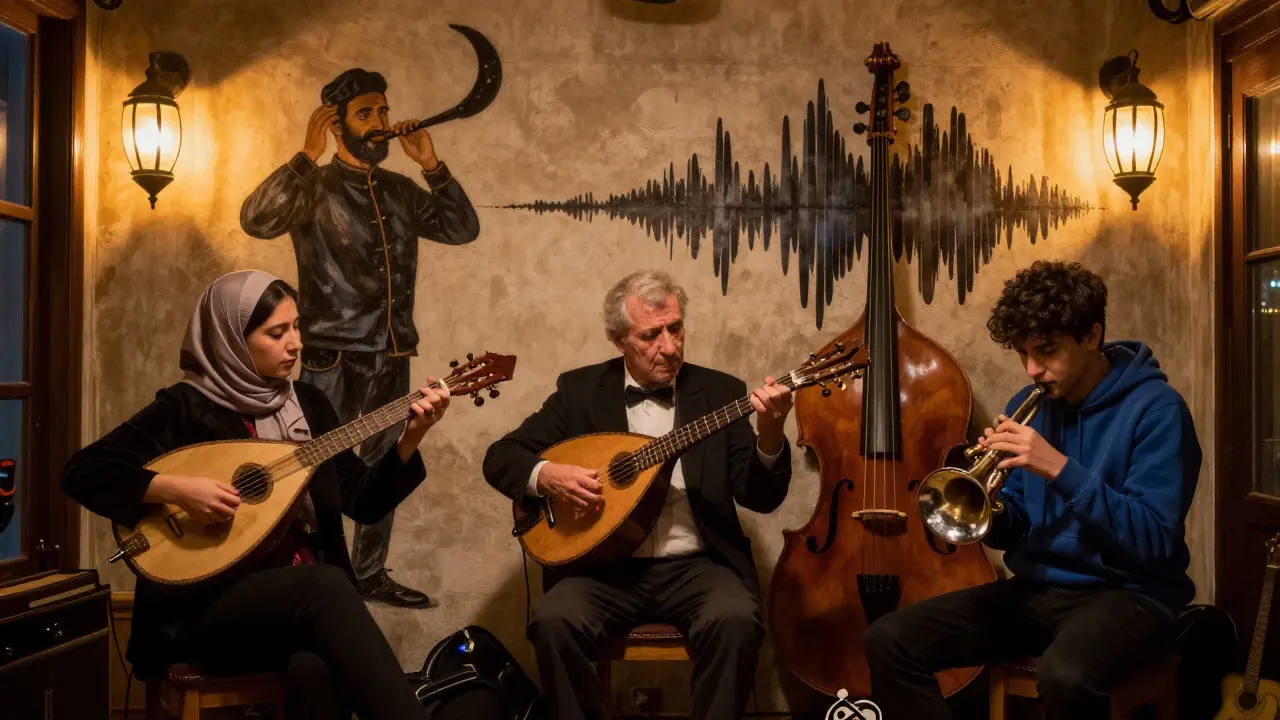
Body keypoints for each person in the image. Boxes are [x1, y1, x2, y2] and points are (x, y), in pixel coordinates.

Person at [62, 270, 449, 720]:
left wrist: (410, 438)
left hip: (300, 610)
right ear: (232, 340)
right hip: (201, 608)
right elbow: (82, 471)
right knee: (327, 584)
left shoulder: (310, 405)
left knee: (316, 669)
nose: (296, 343)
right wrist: (176, 489)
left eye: (297, 326)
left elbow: (364, 503)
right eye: (276, 333)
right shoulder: (184, 407)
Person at [864, 260, 1202, 719]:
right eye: (1023, 354)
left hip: (1132, 595)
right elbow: (1018, 526)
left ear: (1091, 336)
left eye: (1045, 351)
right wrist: (989, 507)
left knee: (1066, 676)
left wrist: (1058, 468)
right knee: (889, 639)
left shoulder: (1158, 411)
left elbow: (1152, 541)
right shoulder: (1030, 407)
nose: (1032, 370)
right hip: (1039, 590)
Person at [482, 270, 795, 720]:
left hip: (698, 567)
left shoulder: (720, 392)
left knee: (737, 620)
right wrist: (547, 476)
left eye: (675, 328)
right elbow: (501, 457)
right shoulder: (580, 391)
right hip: (602, 572)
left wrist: (771, 433)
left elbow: (760, 497)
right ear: (618, 340)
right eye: (650, 335)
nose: (669, 347)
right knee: (554, 621)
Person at [240, 67, 480, 608]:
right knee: (318, 466)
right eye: (365, 113)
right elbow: (256, 219)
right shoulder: (312, 185)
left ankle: (369, 574)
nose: (380, 123)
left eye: (383, 111)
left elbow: (463, 229)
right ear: (338, 124)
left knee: (386, 462)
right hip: (332, 354)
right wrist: (305, 156)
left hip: (392, 351)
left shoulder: (399, 189)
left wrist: (432, 166)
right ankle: (321, 573)